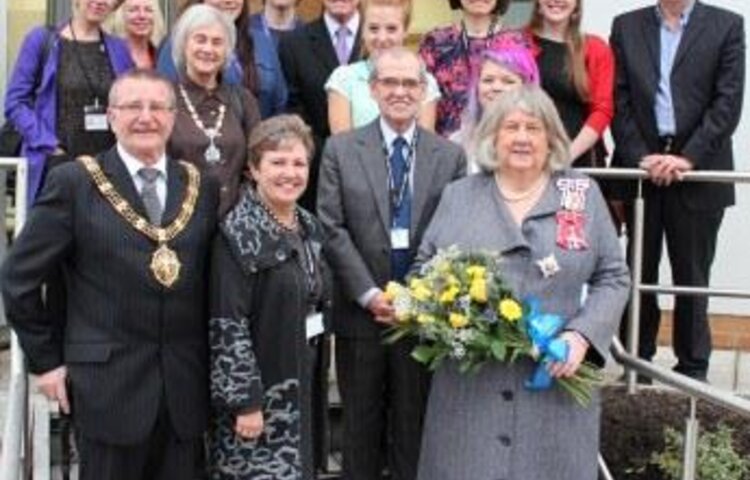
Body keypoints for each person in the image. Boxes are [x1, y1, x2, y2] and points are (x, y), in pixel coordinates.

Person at [1, 69, 219, 480]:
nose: (146, 117)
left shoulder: (198, 186)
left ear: (173, 117)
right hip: (106, 389)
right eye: (132, 106)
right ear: (113, 117)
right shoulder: (75, 183)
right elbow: (18, 278)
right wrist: (46, 362)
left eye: (157, 107)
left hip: (184, 390)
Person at [413, 84, 629, 480]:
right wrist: (449, 316)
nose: (523, 138)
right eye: (511, 127)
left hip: (555, 384)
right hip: (471, 388)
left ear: (552, 138)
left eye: (534, 127)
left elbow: (613, 277)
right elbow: (423, 270)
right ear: (493, 137)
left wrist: (581, 337)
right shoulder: (460, 195)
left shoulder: (580, 194)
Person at [317, 47, 466, 480]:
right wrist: (369, 294)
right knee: (359, 430)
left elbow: (451, 231)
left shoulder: (449, 157)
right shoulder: (340, 150)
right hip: (360, 312)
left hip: (422, 316)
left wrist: (414, 297)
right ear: (373, 89)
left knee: (412, 425)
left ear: (424, 91)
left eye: (409, 84)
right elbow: (331, 227)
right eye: (390, 83)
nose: (400, 92)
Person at [610, 0, 745, 380]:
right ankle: (637, 363)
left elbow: (728, 102)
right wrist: (642, 157)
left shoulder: (727, 25)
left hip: (699, 172)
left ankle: (693, 370)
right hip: (641, 170)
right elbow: (618, 101)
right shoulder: (627, 26)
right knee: (638, 270)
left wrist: (688, 158)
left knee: (692, 276)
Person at [207, 114, 329, 480]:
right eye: (277, 162)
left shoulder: (308, 225)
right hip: (259, 394)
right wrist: (244, 401)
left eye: (298, 163)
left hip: (302, 376)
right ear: (253, 170)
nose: (289, 173)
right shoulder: (237, 233)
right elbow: (227, 324)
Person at [4, 0, 133, 205]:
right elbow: (15, 103)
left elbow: (130, 104)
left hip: (107, 173)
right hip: (54, 167)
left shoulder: (120, 49)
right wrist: (50, 146)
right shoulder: (41, 40)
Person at [167, 4, 261, 217]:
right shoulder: (164, 99)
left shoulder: (243, 100)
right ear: (183, 45)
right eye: (200, 39)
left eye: (217, 42)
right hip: (180, 224)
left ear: (227, 50)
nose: (208, 49)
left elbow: (258, 161)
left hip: (236, 226)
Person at [279, 0, 362, 210]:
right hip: (316, 175)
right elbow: (292, 108)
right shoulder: (294, 43)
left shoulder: (380, 37)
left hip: (375, 173)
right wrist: (328, 155)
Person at [326, 0, 441, 133]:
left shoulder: (425, 82)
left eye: (391, 29)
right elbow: (342, 148)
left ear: (405, 31)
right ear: (362, 30)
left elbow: (424, 148)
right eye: (373, 28)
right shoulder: (343, 80)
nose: (381, 38)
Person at [158, 0, 287, 119]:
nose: (229, 1)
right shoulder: (177, 43)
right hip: (200, 139)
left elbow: (280, 102)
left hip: (260, 138)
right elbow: (166, 101)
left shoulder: (262, 41)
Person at [418, 0, 527, 137]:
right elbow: (423, 101)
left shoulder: (516, 42)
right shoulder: (434, 42)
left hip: (501, 145)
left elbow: (525, 100)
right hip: (446, 148)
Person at [527, 0, 615, 167]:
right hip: (525, 154)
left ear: (576, 4)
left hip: (579, 157)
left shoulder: (596, 48)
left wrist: (566, 156)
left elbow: (602, 110)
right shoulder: (515, 43)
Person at [449, 45, 539, 172]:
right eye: (488, 80)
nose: (496, 87)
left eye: (508, 81)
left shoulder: (542, 140)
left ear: (527, 87)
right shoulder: (458, 141)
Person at [109, 0, 166, 69]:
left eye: (148, 10)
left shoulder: (162, 56)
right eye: (133, 10)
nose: (142, 16)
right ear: (121, 16)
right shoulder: (109, 55)